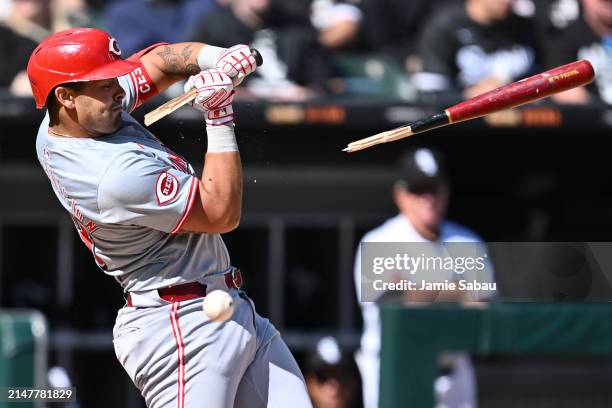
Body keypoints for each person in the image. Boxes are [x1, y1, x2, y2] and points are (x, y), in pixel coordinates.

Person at [28, 28, 312, 407]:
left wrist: (216, 58)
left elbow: (159, 62)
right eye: (103, 83)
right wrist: (219, 115)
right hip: (178, 327)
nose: (118, 90)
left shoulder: (62, 122)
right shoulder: (112, 176)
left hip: (224, 306)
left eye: (114, 78)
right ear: (65, 96)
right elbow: (220, 213)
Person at [353, 148, 495, 408]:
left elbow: (484, 306)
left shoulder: (467, 241)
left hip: (454, 376)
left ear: (446, 192)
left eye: (434, 188)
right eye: (418, 189)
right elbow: (391, 302)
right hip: (396, 372)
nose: (427, 197)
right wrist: (457, 290)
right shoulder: (378, 241)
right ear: (400, 195)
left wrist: (416, 289)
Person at [414, 0, 538, 98]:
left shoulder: (525, 28)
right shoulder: (445, 27)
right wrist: (469, 96)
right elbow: (430, 93)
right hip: (463, 123)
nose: (508, 1)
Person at [537, 0, 612, 104]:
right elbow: (559, 87)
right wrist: (600, 109)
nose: (609, 4)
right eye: (604, 0)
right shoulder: (567, 38)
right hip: (592, 114)